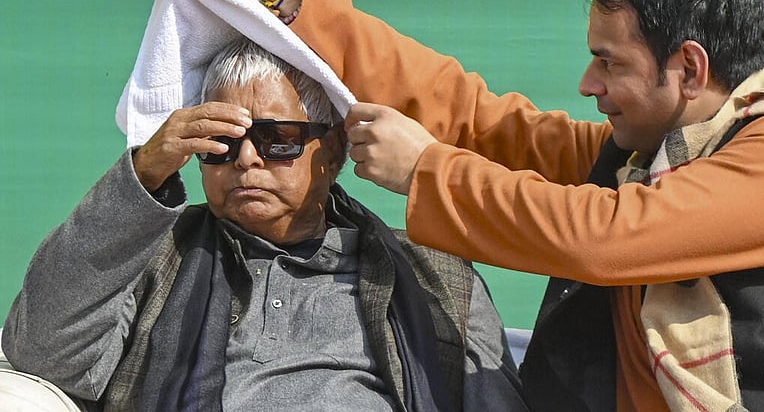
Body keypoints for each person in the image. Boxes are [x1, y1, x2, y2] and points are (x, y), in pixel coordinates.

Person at [135, 0, 764, 410]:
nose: (588, 85)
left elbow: (606, 239)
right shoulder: (645, 156)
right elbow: (474, 118)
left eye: (609, 63)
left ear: (688, 68)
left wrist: (428, 172)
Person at [1, 37, 527, 411]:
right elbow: (44, 356)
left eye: (279, 138)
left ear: (335, 148)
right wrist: (143, 175)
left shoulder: (433, 274)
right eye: (221, 141)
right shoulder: (152, 253)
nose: (246, 160)